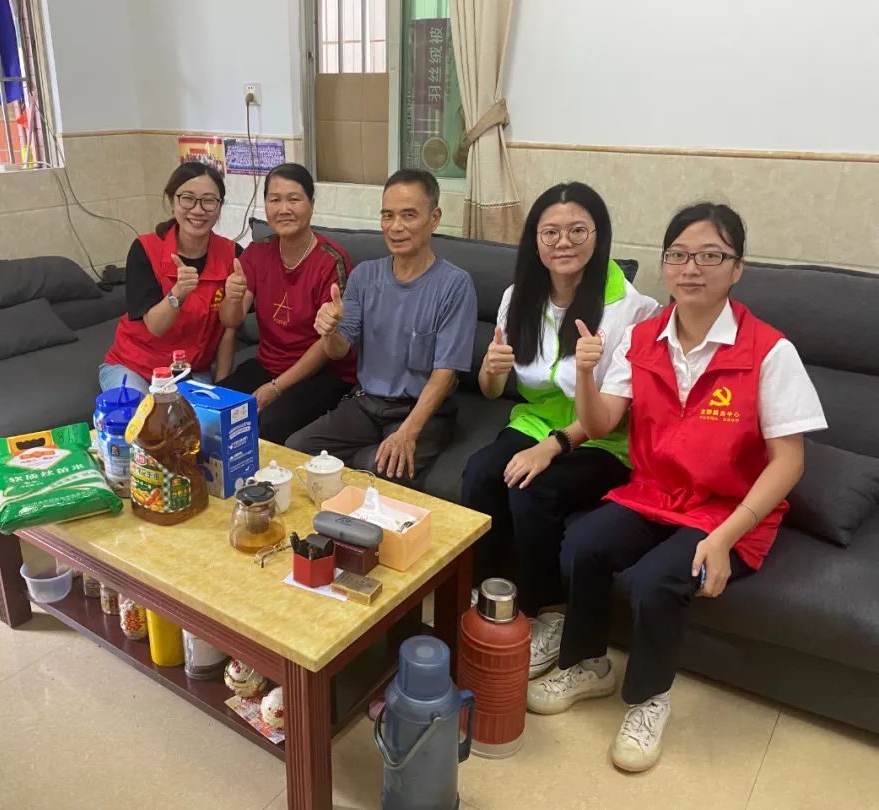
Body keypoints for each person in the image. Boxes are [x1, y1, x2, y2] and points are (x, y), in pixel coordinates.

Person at [528, 203, 827, 773]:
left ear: (737, 268)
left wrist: (726, 538)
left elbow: (788, 461)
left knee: (655, 581)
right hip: (655, 491)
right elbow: (599, 424)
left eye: (710, 256)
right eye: (678, 255)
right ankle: (589, 665)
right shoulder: (643, 338)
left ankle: (649, 699)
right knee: (583, 545)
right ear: (664, 265)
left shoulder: (769, 350)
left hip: (727, 508)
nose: (692, 268)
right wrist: (585, 372)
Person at [461, 182, 660, 678]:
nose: (563, 242)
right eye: (550, 232)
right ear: (535, 239)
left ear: (599, 236)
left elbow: (613, 412)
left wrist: (553, 447)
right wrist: (490, 370)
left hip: (604, 437)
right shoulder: (518, 297)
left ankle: (549, 612)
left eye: (577, 230)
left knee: (534, 488)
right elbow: (493, 391)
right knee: (480, 473)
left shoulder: (633, 310)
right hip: (535, 421)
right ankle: (486, 592)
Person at [286, 169, 478, 483]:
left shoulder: (455, 285)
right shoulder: (365, 276)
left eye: (408, 215)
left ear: (434, 218)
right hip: (367, 403)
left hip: (422, 411)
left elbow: (445, 372)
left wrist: (408, 433)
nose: (395, 226)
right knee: (297, 451)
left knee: (377, 471)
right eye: (387, 215)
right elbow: (338, 350)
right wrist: (330, 331)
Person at [217, 163, 356, 444]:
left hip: (322, 374)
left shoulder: (331, 260)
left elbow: (327, 345)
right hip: (267, 364)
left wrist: (276, 388)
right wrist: (232, 297)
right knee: (215, 409)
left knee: (269, 424)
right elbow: (232, 320)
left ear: (311, 204)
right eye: (275, 200)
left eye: (294, 199)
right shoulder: (257, 252)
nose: (284, 209)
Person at [99, 162, 242, 393]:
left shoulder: (232, 255)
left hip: (190, 371)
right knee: (141, 413)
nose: (198, 210)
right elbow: (156, 327)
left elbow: (228, 328)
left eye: (208, 201)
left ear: (219, 206)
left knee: (197, 416)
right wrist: (178, 293)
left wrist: (223, 388)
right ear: (172, 202)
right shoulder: (145, 249)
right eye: (187, 198)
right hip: (134, 366)